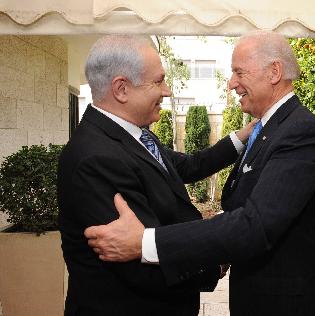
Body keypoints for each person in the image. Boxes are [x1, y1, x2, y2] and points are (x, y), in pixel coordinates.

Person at [85, 31, 315, 315]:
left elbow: (255, 225)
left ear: (274, 72)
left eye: (239, 72)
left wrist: (147, 242)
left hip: (283, 304)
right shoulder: (269, 128)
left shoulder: (301, 132)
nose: (231, 84)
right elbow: (230, 195)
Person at [58, 35, 253, 316]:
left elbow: (187, 166)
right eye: (158, 81)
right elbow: (138, 264)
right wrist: (214, 260)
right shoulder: (97, 158)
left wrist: (243, 136)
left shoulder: (132, 136)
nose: (168, 91)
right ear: (121, 88)